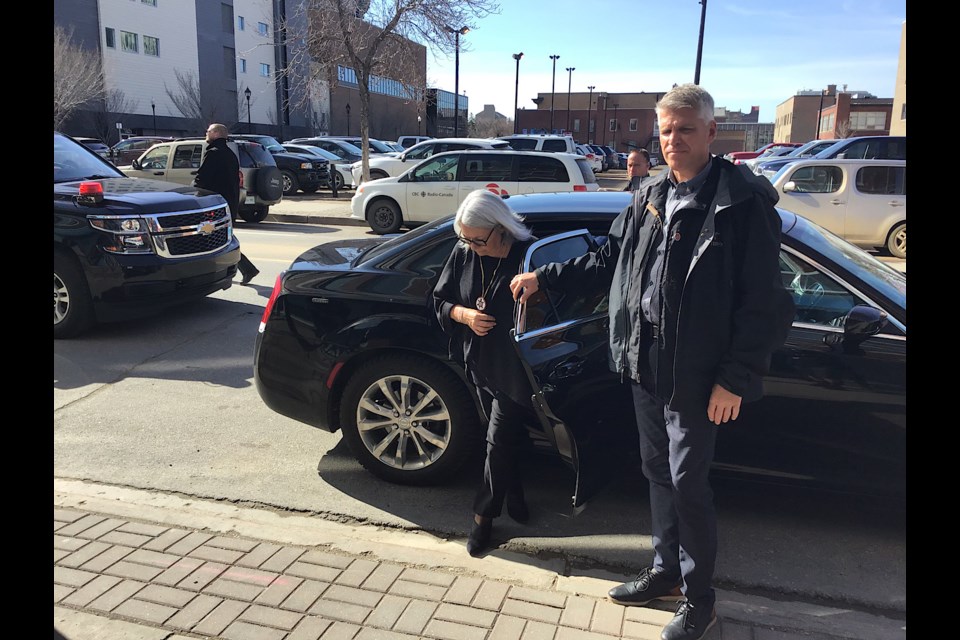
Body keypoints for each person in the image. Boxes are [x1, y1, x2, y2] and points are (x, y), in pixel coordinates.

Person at [509, 84, 794, 640]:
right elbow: (608, 254)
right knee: (657, 474)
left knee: (689, 486)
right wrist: (544, 277)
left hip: (700, 376)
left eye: (685, 129)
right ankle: (665, 571)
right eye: (665, 130)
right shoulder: (650, 194)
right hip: (646, 365)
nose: (673, 140)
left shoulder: (740, 204)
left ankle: (701, 600)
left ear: (712, 133)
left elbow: (766, 302)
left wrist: (734, 379)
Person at [432, 188, 539, 558]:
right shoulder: (466, 250)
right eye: (465, 238)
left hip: (516, 368)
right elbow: (439, 300)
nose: (471, 246)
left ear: (501, 229)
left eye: (478, 240)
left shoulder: (529, 256)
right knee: (505, 439)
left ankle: (482, 518)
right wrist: (463, 315)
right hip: (477, 360)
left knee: (497, 439)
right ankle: (517, 494)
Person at [194, 123, 259, 285]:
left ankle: (242, 269)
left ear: (216, 133)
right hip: (228, 204)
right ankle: (246, 269)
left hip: (213, 206)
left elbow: (202, 180)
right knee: (221, 238)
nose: (206, 133)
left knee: (215, 239)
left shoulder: (214, 153)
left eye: (208, 131)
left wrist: (193, 197)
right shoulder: (230, 154)